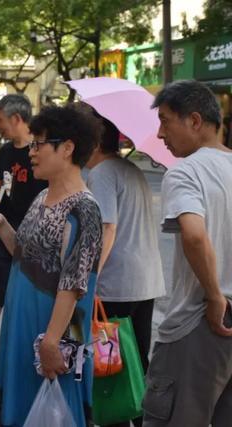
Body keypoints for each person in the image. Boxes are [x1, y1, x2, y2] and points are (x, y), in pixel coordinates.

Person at [0, 105, 102, 427]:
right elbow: (26, 254)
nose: (31, 152)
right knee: (19, 406)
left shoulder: (84, 209)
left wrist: (51, 342)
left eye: (39, 144)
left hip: (51, 331)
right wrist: (1, 223)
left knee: (53, 411)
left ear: (68, 148)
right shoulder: (43, 196)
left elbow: (75, 285)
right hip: (23, 323)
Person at [142, 80, 232, 426]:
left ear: (195, 121)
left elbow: (194, 236)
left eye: (165, 121)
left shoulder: (185, 171)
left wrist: (213, 297)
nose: (161, 134)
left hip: (197, 326)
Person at [86, 115, 165, 427]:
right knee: (137, 362)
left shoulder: (103, 173)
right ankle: (143, 419)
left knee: (112, 366)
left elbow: (108, 227)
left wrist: (91, 277)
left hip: (116, 283)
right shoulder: (130, 170)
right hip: (145, 281)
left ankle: (119, 419)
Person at [0, 94, 48, 311]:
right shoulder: (5, 152)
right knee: (3, 292)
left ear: (17, 118)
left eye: (0, 119)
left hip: (33, 235)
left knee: (28, 292)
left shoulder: (42, 152)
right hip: (4, 230)